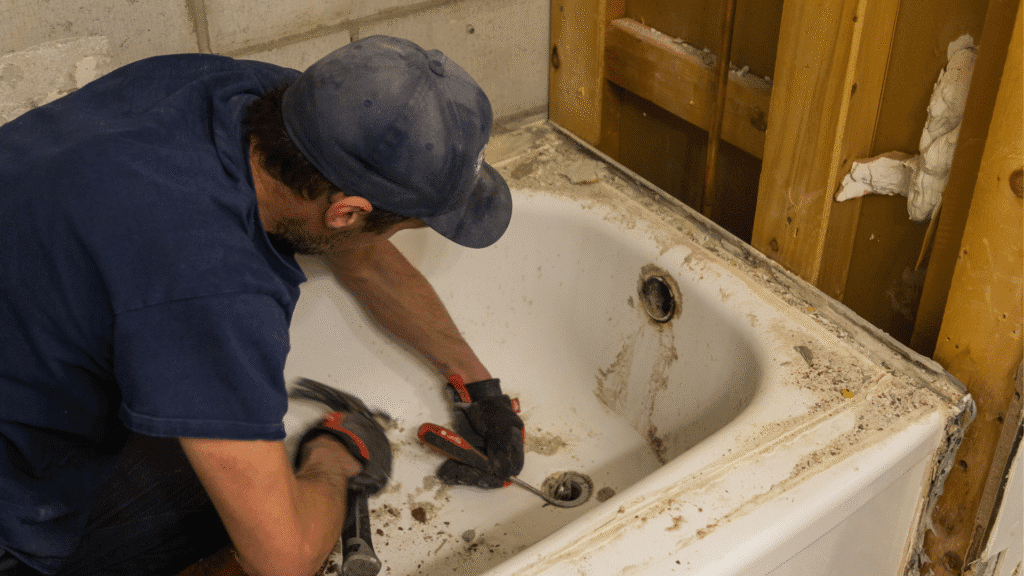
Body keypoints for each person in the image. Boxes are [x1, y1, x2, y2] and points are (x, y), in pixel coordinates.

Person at [0, 35, 524, 576]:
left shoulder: (243, 94)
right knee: (235, 510)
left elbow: (361, 257)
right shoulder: (209, 279)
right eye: (401, 226)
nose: (389, 239)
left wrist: (475, 384)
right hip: (11, 507)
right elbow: (283, 559)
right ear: (346, 212)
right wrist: (335, 459)